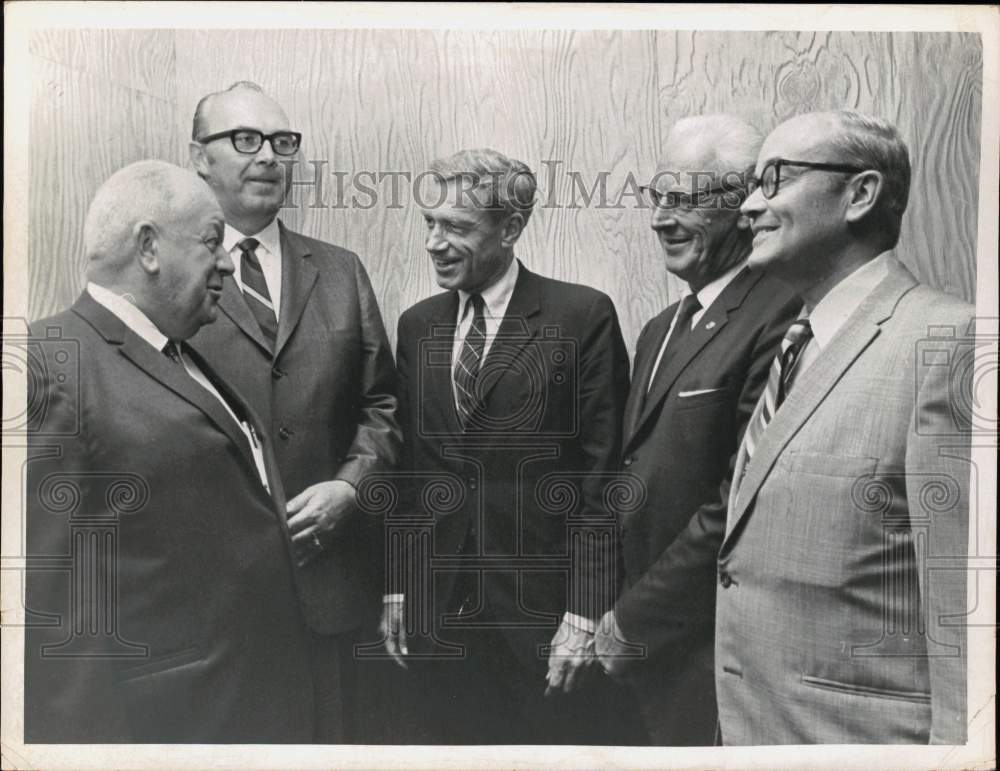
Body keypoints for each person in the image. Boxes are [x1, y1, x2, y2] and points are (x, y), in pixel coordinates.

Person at [24, 161, 315, 743]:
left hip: (251, 705)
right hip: (172, 725)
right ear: (149, 247)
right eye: (213, 242)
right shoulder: (49, 364)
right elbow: (51, 613)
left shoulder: (180, 351)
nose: (230, 262)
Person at [716, 110, 972, 744]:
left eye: (775, 180)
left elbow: (967, 616)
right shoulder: (793, 343)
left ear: (860, 194)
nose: (749, 206)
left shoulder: (947, 343)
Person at [381, 148, 640, 744]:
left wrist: (585, 612)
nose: (435, 243)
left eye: (457, 228)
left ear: (511, 229)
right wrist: (399, 583)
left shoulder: (581, 316)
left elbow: (603, 483)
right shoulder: (417, 324)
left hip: (543, 618)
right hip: (439, 615)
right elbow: (411, 474)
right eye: (430, 224)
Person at [186, 82, 401, 742]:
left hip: (333, 588)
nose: (269, 158)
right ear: (200, 159)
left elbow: (383, 404)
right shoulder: (169, 276)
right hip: (216, 600)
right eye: (245, 140)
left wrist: (349, 486)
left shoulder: (340, 271)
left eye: (282, 143)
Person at [593, 115, 798, 745]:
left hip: (708, 649)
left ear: (741, 208)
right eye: (658, 198)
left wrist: (632, 620)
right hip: (642, 652)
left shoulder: (780, 313)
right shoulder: (660, 327)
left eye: (684, 201)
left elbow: (738, 501)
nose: (660, 219)